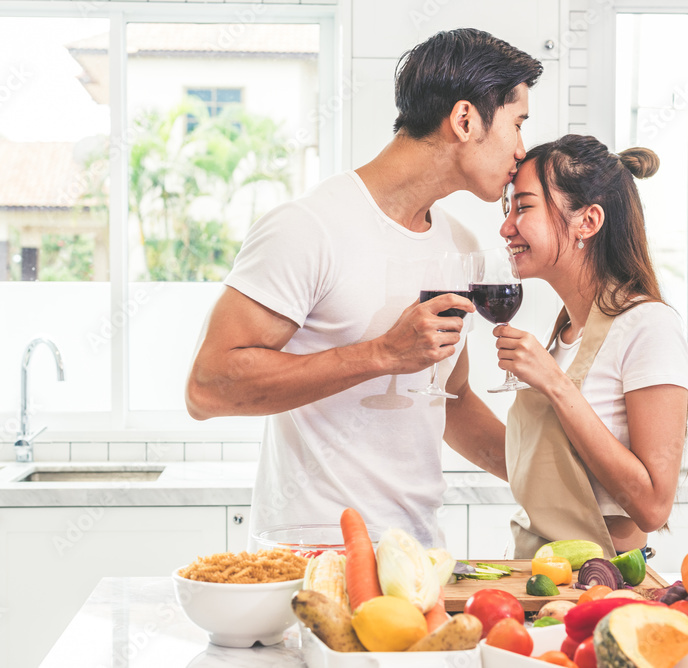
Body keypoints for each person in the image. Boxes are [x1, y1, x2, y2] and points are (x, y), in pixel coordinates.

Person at [185, 29, 542, 547]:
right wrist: (380, 355)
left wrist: (552, 480)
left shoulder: (458, 244)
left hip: (417, 555)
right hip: (312, 555)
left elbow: (455, 399)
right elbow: (207, 388)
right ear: (465, 120)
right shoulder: (308, 227)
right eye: (517, 124)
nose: (522, 150)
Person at [493, 134, 688, 558]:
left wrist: (554, 384)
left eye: (523, 207)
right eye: (508, 209)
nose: (506, 227)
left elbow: (653, 507)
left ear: (588, 221)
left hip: (603, 587)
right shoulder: (564, 331)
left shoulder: (648, 325)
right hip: (541, 577)